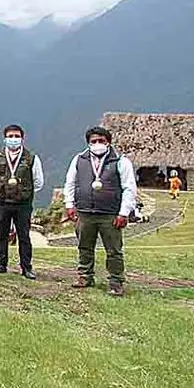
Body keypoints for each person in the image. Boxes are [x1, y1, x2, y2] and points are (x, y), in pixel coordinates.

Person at [64, 126, 137, 297]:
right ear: (88, 143)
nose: (97, 144)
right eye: (93, 141)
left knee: (113, 250)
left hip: (110, 214)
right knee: (84, 246)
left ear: (108, 142)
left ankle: (116, 282)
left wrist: (124, 212)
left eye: (101, 141)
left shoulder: (120, 161)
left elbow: (129, 188)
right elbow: (70, 183)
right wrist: (69, 205)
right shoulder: (79, 160)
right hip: (84, 212)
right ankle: (85, 277)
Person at [0, 124, 45, 279]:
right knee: (1, 234)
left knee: (24, 236)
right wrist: (3, 190)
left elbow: (38, 182)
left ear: (22, 138)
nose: (13, 139)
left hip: (23, 204)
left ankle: (26, 268)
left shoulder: (32, 158)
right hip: (2, 202)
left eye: (16, 136)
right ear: (5, 139)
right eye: (10, 136)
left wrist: (24, 193)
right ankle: (1, 264)